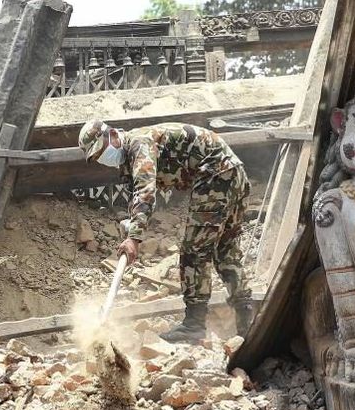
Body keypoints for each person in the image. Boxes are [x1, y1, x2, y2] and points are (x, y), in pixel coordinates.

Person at [79, 120, 254, 342]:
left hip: (216, 174)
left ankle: (194, 325)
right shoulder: (132, 155)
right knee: (224, 248)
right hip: (231, 173)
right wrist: (133, 224)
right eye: (96, 158)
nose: (102, 159)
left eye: (102, 151)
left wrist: (135, 238)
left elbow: (145, 191)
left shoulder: (138, 142)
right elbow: (139, 195)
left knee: (194, 252)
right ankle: (247, 321)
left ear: (113, 135)